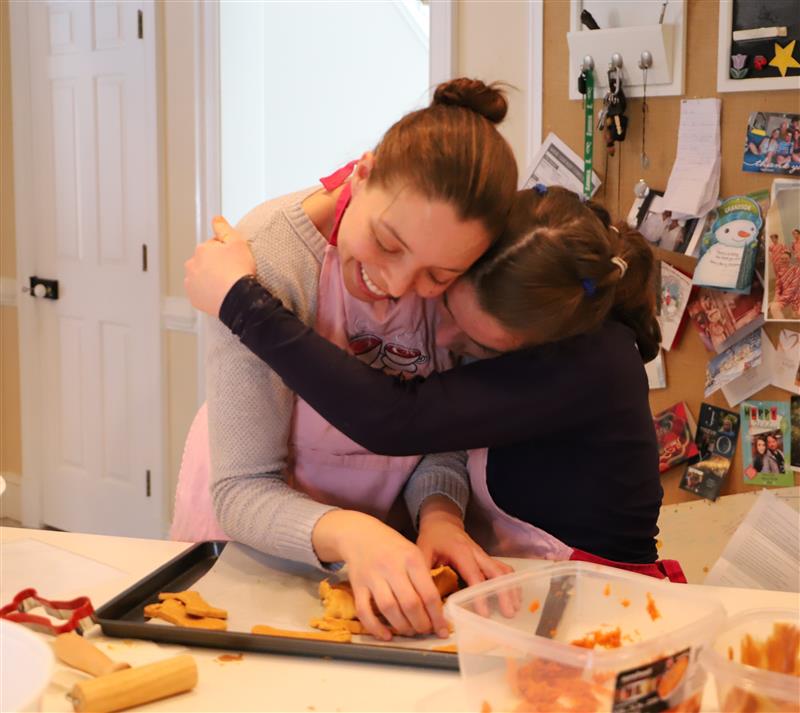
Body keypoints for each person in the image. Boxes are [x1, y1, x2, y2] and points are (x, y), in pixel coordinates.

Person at [184, 185, 687, 583]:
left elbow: (399, 421)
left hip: (601, 594)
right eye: (444, 304)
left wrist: (241, 302)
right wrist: (439, 517)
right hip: (524, 578)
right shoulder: (286, 249)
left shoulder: (589, 363)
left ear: (536, 342)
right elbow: (441, 433)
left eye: (472, 342)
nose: (442, 338)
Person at [175, 78, 519, 641]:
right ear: (362, 175)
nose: (397, 283)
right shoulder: (266, 256)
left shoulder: (464, 289)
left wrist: (439, 514)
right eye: (387, 244)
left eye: (438, 276)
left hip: (380, 547)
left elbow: (438, 436)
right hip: (255, 538)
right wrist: (351, 533)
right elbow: (242, 488)